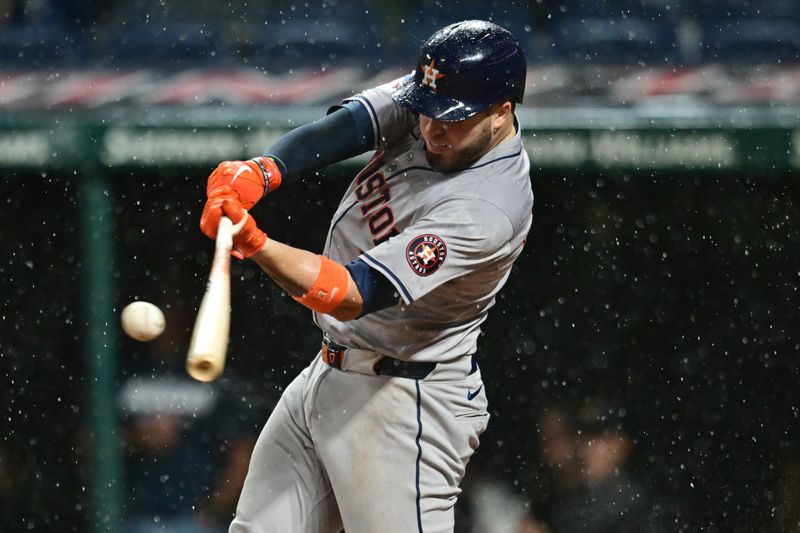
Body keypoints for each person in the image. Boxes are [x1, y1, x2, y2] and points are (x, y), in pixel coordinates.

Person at [198, 19, 532, 533]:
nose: (431, 128)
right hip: (330, 371)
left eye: (450, 119)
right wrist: (264, 171)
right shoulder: (441, 98)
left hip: (405, 399)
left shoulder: (488, 207)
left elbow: (350, 293)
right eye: (426, 111)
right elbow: (349, 126)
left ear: (502, 112)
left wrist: (254, 243)